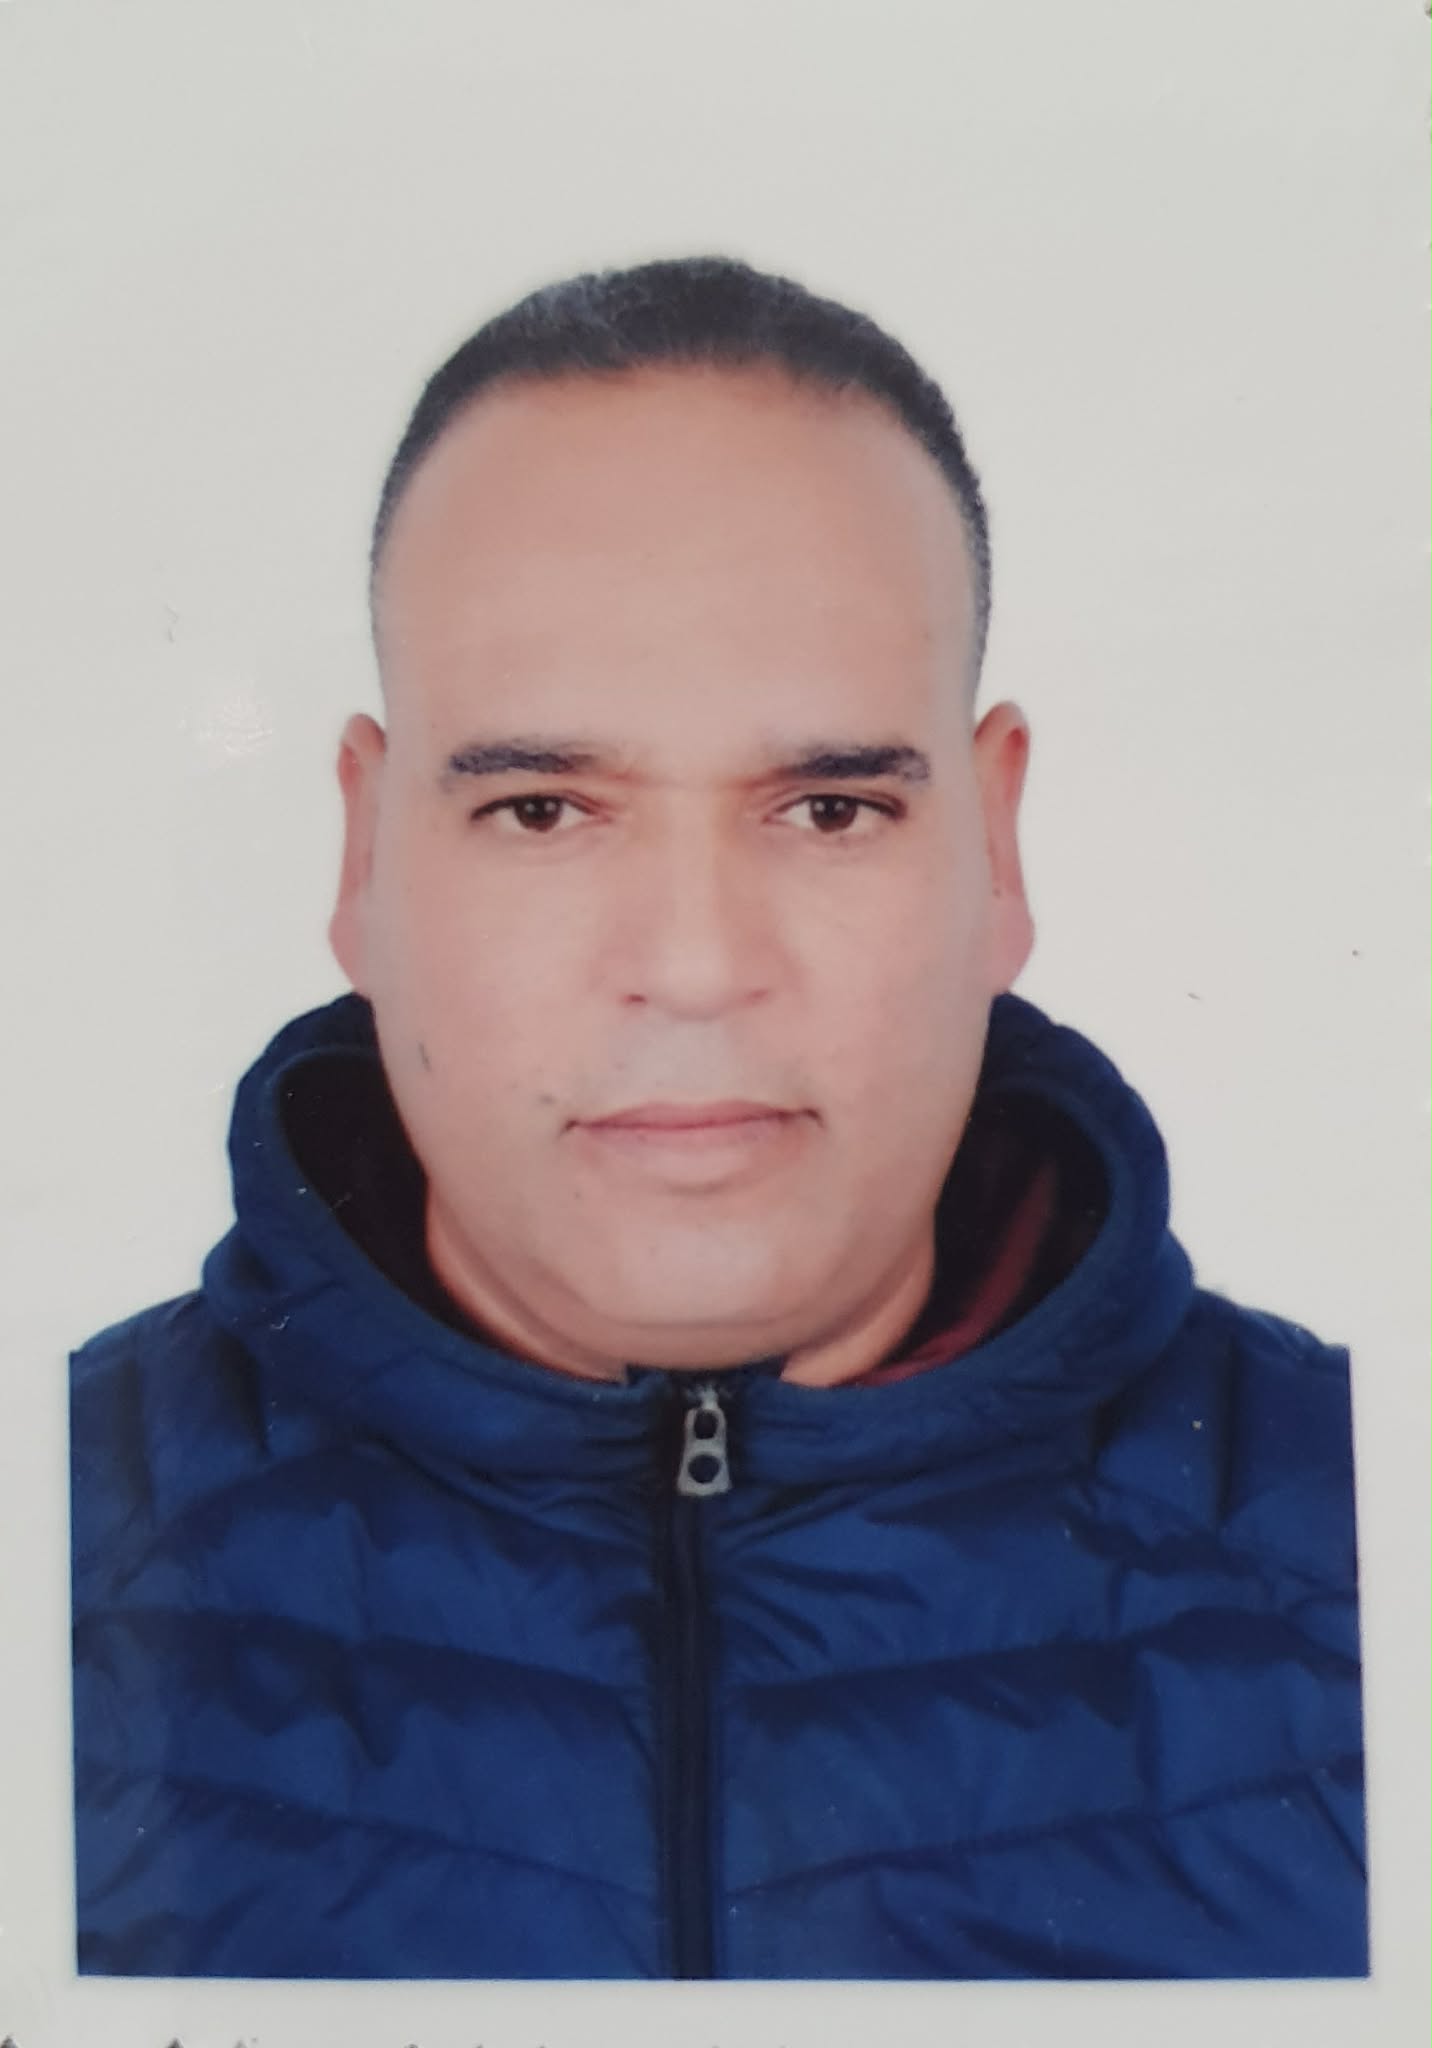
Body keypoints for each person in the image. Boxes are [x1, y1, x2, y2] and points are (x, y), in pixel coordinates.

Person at [69, 256, 1366, 1981]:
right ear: (365, 859)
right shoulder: (55, 1551)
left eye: (827, 810)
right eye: (545, 810)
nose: (691, 967)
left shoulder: (1370, 1545)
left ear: (995, 849)